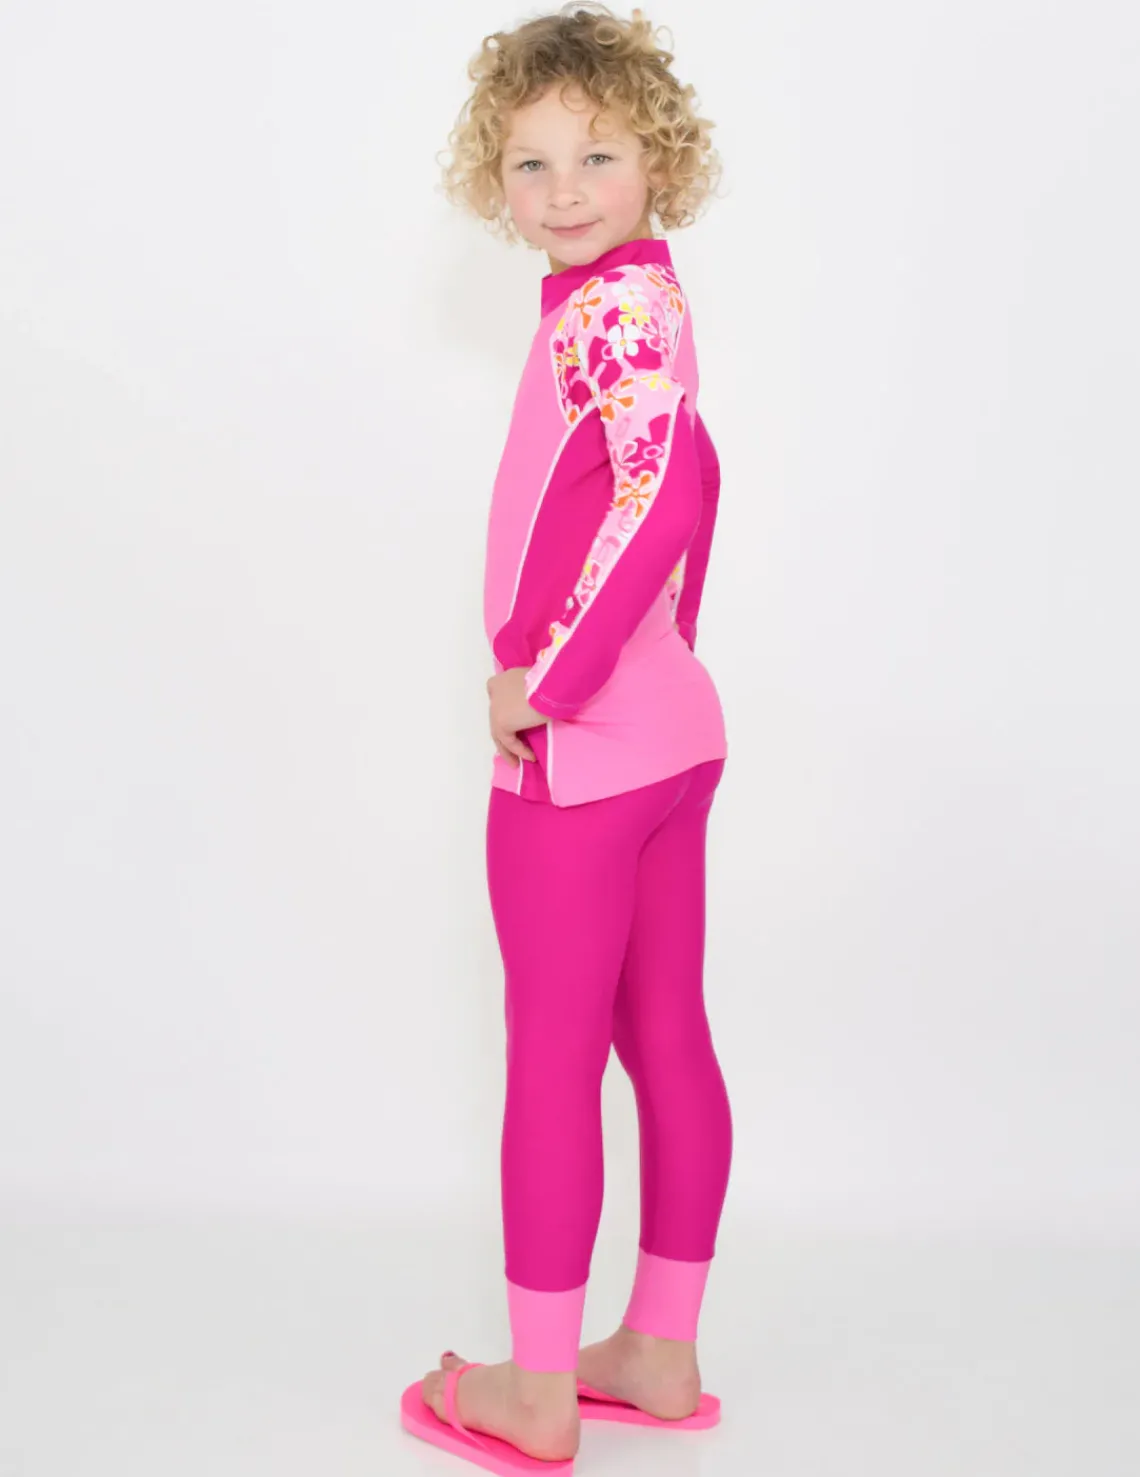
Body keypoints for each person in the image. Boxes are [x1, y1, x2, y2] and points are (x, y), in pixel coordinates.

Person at [400, 5, 733, 1470]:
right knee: (664, 1033)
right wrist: (663, 649)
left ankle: (536, 1391)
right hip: (672, 734)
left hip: (586, 755)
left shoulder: (607, 312)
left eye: (599, 155)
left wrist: (549, 678)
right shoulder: (645, 302)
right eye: (531, 163)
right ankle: (656, 1348)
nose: (565, 190)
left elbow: (666, 497)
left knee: (551, 1058)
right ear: (495, 178)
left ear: (660, 160)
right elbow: (692, 473)